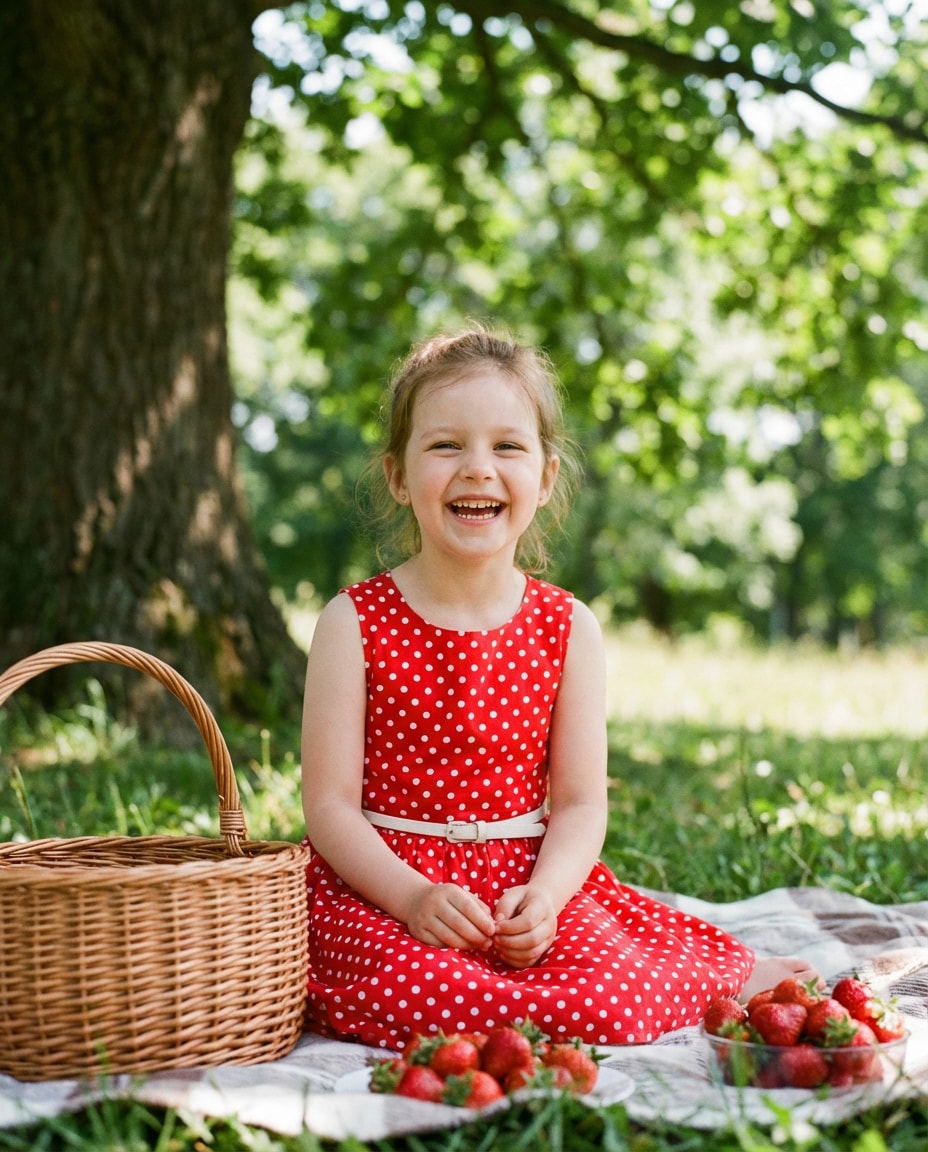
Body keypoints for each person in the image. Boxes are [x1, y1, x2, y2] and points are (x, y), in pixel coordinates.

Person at [300, 324, 817, 1051]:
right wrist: (412, 896)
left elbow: (578, 804)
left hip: (526, 881)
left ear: (544, 478)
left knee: (614, 998)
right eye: (445, 445)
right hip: (383, 889)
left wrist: (544, 898)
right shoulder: (353, 622)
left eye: (507, 446)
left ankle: (715, 970)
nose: (477, 469)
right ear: (396, 474)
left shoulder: (567, 626)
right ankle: (487, 998)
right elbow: (327, 807)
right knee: (409, 990)